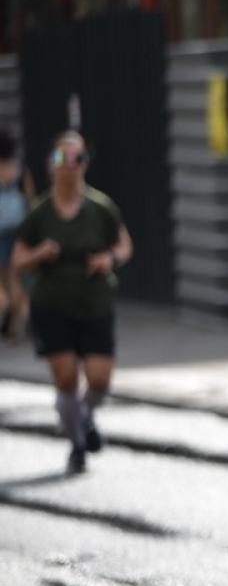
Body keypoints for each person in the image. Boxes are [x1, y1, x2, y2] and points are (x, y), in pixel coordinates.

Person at [10, 132, 133, 475]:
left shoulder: (101, 207)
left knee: (99, 380)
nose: (69, 166)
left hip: (95, 303)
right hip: (53, 305)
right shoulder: (39, 213)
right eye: (62, 159)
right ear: (51, 164)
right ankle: (78, 444)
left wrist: (110, 259)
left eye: (77, 158)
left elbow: (124, 245)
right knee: (65, 378)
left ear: (85, 164)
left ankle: (84, 415)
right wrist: (39, 254)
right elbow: (18, 260)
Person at [0, 128, 37, 340]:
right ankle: (21, 316)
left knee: (5, 277)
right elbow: (31, 198)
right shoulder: (20, 168)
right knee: (16, 277)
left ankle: (13, 313)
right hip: (19, 228)